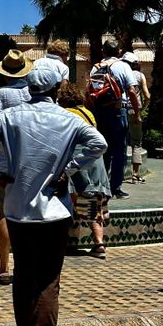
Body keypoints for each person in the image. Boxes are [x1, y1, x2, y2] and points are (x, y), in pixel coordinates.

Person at [0, 67, 107, 326]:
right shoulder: (69, 119)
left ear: (29, 87)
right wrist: (68, 170)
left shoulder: (10, 116)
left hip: (18, 208)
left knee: (23, 277)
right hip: (54, 211)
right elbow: (98, 144)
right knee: (48, 282)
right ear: (57, 89)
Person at [0, 50, 34, 285]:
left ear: (4, 73)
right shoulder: (33, 92)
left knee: (4, 214)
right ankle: (27, 266)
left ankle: (4, 267)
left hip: (4, 162)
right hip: (32, 160)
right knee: (29, 214)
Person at [57, 82, 111, 259]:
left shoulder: (65, 114)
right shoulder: (88, 112)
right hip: (95, 159)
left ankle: (64, 241)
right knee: (95, 202)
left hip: (78, 160)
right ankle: (99, 243)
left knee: (80, 201)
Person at [89, 40, 140, 200]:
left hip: (100, 113)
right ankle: (115, 187)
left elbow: (91, 93)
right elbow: (131, 90)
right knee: (119, 151)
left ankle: (101, 187)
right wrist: (137, 113)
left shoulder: (95, 67)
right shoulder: (123, 66)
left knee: (103, 149)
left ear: (103, 51)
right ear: (118, 52)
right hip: (118, 112)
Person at [121, 51, 150, 184]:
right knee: (136, 143)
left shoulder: (119, 73)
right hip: (134, 110)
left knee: (119, 142)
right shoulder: (140, 76)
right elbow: (147, 96)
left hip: (120, 110)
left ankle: (118, 172)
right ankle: (135, 173)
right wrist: (142, 108)